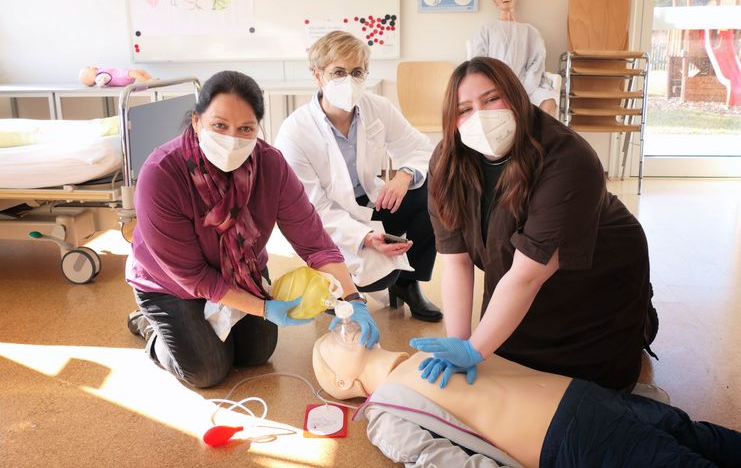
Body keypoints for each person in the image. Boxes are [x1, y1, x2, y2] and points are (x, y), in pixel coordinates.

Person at [416, 56, 658, 392]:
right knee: (507, 357)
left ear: (515, 95)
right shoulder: (448, 160)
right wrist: (460, 342)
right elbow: (456, 260)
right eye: (465, 108)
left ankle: (637, 326)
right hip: (519, 273)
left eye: (491, 99)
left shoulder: (567, 157)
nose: (481, 116)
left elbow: (528, 276)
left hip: (596, 276)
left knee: (590, 384)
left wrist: (474, 350)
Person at [125, 70, 379, 389]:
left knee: (256, 353)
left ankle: (194, 331)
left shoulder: (270, 166)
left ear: (258, 128)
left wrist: (354, 300)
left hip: (240, 272)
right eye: (219, 125)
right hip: (171, 284)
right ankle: (152, 330)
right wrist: (262, 307)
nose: (232, 138)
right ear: (196, 121)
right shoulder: (162, 174)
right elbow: (192, 276)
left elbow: (315, 243)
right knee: (207, 371)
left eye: (245, 128)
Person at [312, 333, 741, 467]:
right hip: (571, 440)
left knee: (696, 435)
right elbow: (442, 461)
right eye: (329, 344)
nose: (337, 330)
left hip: (588, 396)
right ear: (343, 381)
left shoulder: (432, 347)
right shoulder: (385, 413)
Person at [274, 30, 442, 322]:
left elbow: (419, 149)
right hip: (327, 218)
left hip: (369, 199)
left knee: (434, 195)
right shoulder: (295, 131)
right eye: (338, 72)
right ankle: (336, 283)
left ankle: (408, 283)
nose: (349, 81)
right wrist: (364, 237)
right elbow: (312, 209)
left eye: (357, 72)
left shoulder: (377, 107)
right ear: (318, 75)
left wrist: (403, 174)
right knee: (377, 280)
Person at [470, 0, 558, 116]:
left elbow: (538, 61)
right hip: (495, 84)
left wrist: (524, 88)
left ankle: (537, 136)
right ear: (495, 0)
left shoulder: (530, 31)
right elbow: (478, 61)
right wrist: (493, 85)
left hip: (524, 85)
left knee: (549, 100)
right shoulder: (487, 30)